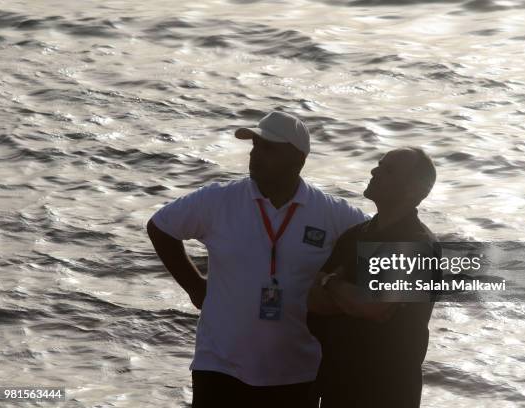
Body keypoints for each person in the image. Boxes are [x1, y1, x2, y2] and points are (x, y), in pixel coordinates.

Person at [146, 110, 368, 408]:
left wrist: (341, 292)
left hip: (295, 370)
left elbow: (382, 245)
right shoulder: (218, 200)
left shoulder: (331, 213)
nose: (256, 156)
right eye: (255, 147)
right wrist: (195, 287)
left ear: (298, 160)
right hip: (219, 365)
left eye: (269, 149)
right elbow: (161, 227)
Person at [307, 147, 441, 408]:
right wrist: (352, 297)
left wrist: (331, 282)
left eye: (387, 170)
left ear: (413, 190)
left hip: (388, 392)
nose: (374, 171)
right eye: (379, 164)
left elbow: (373, 307)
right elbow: (313, 300)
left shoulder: (417, 242)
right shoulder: (354, 235)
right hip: (338, 386)